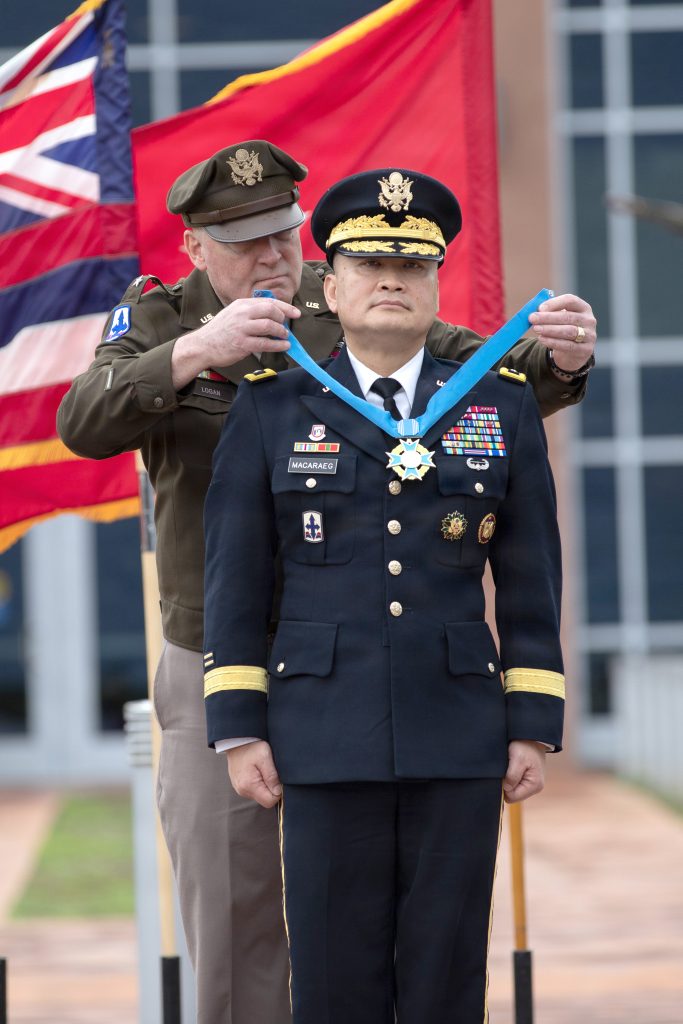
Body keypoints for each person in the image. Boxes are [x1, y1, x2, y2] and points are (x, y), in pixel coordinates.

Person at [57, 140, 594, 1024]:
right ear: (194, 248)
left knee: (380, 919)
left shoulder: (339, 296)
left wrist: (562, 362)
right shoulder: (160, 317)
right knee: (234, 908)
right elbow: (84, 421)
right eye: (244, 241)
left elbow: (471, 369)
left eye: (283, 235)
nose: (272, 257)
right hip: (215, 649)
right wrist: (198, 349)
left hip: (356, 654)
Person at [203, 167, 565, 1024]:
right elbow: (235, 575)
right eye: (368, 266)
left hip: (458, 727)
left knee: (444, 972)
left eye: (412, 267)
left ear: (438, 284)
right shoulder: (270, 404)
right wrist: (238, 726)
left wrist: (531, 726)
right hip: (319, 728)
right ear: (331, 286)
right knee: (333, 972)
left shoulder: (499, 405)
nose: (391, 282)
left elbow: (526, 579)